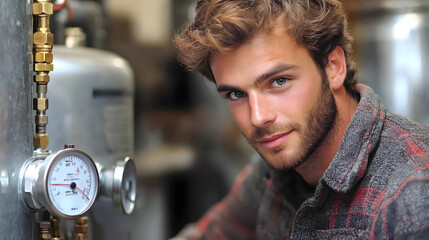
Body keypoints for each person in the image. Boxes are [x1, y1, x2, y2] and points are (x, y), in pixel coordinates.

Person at [173, 0, 429, 239]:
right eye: (236, 94)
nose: (258, 118)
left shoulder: (413, 194)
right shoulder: (271, 174)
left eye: (279, 81)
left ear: (333, 67)